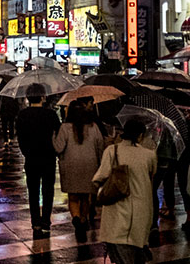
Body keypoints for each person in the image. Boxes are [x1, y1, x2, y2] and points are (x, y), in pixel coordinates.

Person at [93, 119, 157, 264]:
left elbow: (99, 177)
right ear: (141, 135)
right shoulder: (150, 155)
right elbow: (152, 176)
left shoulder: (112, 151)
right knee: (138, 252)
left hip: (117, 210)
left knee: (121, 254)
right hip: (141, 211)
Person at [54, 99, 105, 241]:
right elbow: (100, 146)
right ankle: (83, 219)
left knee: (73, 196)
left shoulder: (65, 128)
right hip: (90, 165)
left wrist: (53, 137)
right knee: (85, 197)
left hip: (70, 166)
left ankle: (76, 218)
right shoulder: (93, 126)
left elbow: (58, 148)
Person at [15, 82, 61, 237]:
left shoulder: (22, 115)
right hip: (48, 157)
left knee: (33, 191)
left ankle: (35, 222)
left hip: (31, 157)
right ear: (43, 97)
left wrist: (26, 151)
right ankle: (46, 221)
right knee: (48, 190)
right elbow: (58, 134)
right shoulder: (51, 115)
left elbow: (20, 137)